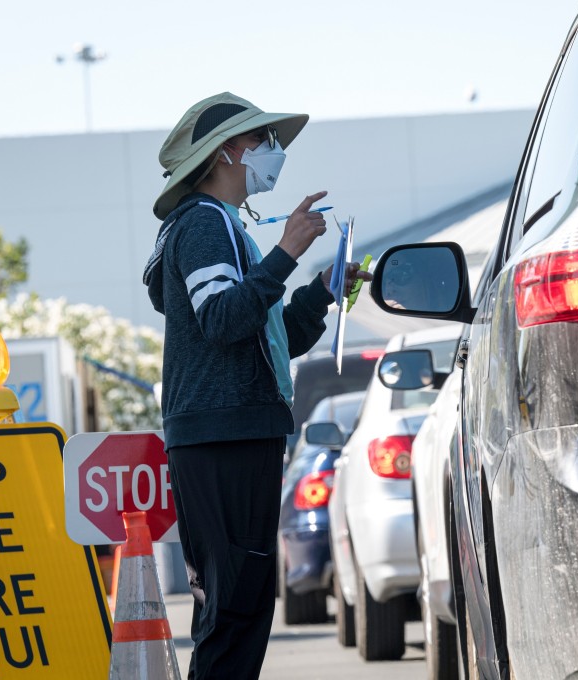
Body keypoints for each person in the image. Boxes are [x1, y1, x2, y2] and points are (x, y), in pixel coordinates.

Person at [142, 92, 370, 679]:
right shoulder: (200, 223)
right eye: (261, 141)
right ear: (225, 152)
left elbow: (271, 339)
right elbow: (222, 319)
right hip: (224, 434)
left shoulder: (219, 226)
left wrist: (321, 288)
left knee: (235, 609)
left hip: (235, 430)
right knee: (234, 611)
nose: (273, 152)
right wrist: (287, 253)